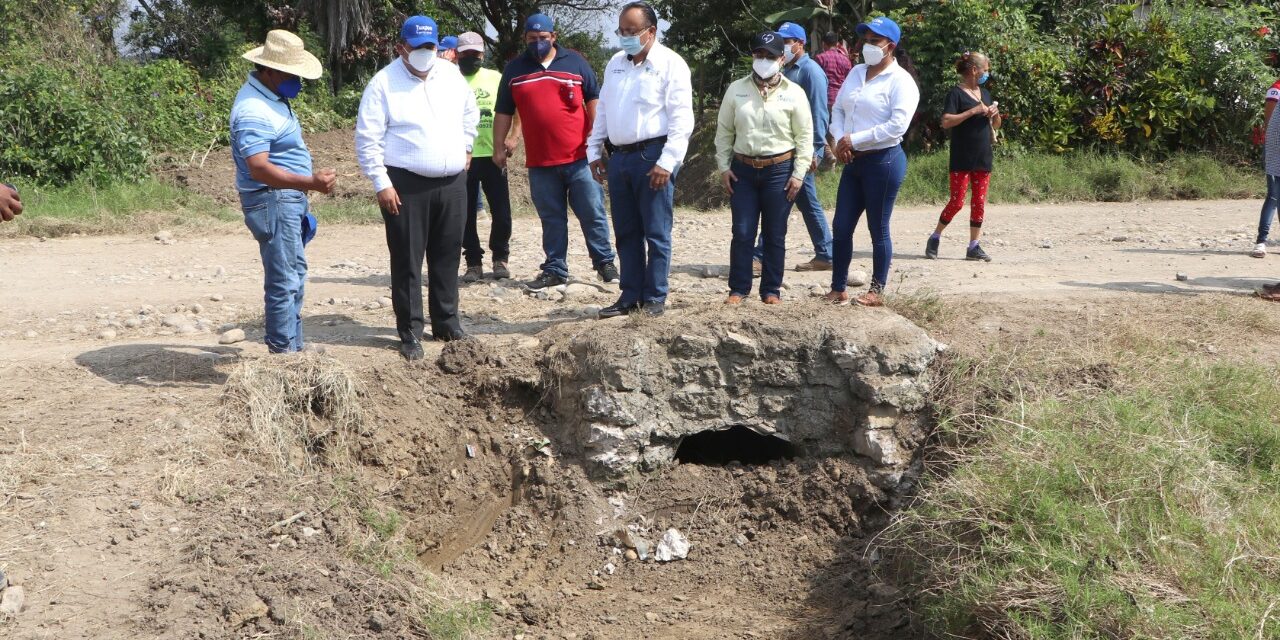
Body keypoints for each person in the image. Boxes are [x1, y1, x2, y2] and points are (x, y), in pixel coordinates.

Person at [355, 16, 479, 361]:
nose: (425, 53)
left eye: (430, 47)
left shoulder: (451, 75)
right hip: (405, 184)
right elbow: (367, 138)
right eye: (417, 47)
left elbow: (470, 113)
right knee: (408, 259)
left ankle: (446, 321)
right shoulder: (383, 83)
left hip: (452, 181)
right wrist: (381, 182)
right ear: (401, 48)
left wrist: (467, 147)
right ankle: (409, 331)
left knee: (447, 254)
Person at [492, 13, 619, 290]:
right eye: (532, 39)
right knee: (551, 217)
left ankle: (604, 263)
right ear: (525, 38)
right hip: (540, 162)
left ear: (554, 37)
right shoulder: (515, 69)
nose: (537, 43)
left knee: (592, 212)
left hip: (580, 158)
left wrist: (596, 139)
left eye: (543, 38)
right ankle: (555, 268)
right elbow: (503, 111)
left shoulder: (575, 62)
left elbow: (593, 97)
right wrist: (497, 146)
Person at [230, 30, 336, 353]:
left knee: (294, 275)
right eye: (293, 74)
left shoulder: (271, 97)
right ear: (270, 70)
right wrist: (311, 183)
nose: (298, 82)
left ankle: (293, 352)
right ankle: (284, 359)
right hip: (272, 198)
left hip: (284, 199)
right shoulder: (253, 110)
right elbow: (259, 168)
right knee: (284, 281)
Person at [587, 1, 694, 319]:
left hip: (653, 155)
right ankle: (629, 295)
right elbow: (603, 110)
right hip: (619, 158)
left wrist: (668, 161)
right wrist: (594, 151)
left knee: (656, 231)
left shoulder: (671, 64)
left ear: (651, 31)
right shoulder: (616, 64)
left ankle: (655, 298)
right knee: (626, 230)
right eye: (622, 31)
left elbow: (681, 119)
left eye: (632, 31)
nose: (625, 36)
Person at [825, 16, 919, 307]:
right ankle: (838, 287)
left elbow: (897, 126)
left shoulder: (901, 81)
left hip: (883, 162)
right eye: (865, 40)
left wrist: (856, 140)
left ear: (890, 46)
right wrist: (842, 140)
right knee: (841, 227)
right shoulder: (856, 72)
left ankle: (877, 291)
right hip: (853, 161)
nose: (867, 46)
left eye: (874, 41)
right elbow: (838, 110)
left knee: (878, 228)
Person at [715, 31, 813, 306]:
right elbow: (724, 132)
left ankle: (771, 290)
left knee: (775, 232)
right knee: (743, 231)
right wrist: (723, 166)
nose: (764, 60)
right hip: (742, 170)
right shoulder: (736, 89)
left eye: (770, 56)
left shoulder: (794, 93)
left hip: (779, 170)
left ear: (782, 58)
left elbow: (804, 137)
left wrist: (799, 174)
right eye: (759, 55)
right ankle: (738, 288)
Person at [752, 21, 831, 274]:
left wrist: (815, 151)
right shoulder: (783, 68)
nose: (784, 45)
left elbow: (819, 114)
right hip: (784, 149)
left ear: (800, 43)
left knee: (780, 199)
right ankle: (826, 253)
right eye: (781, 40)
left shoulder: (811, 72)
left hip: (802, 152)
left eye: (787, 40)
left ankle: (760, 255)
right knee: (805, 201)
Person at [926, 51, 1000, 262]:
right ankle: (935, 236)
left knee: (979, 202)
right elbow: (946, 121)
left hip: (983, 157)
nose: (987, 73)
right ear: (974, 70)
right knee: (957, 202)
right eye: (985, 70)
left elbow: (996, 125)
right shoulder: (955, 94)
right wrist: (972, 111)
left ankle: (973, 246)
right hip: (961, 157)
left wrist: (995, 115)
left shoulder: (984, 92)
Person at [457, 31, 518, 283]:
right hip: (461, 158)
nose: (471, 58)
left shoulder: (496, 78)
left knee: (501, 212)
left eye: (475, 54)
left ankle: (500, 258)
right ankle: (473, 262)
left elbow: (515, 109)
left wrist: (513, 136)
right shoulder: (448, 79)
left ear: (483, 54)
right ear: (457, 54)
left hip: (494, 154)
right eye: (466, 54)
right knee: (466, 213)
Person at [1254, 76, 1280, 259]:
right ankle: (1261, 241)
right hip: (1275, 148)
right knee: (1272, 195)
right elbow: (1270, 121)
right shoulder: (1276, 88)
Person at [815, 31, 852, 110]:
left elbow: (815, 80)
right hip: (841, 100)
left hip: (824, 99)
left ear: (823, 44)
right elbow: (850, 81)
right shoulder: (846, 60)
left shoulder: (820, 58)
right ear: (837, 44)